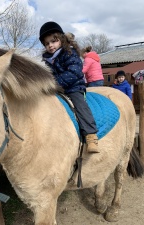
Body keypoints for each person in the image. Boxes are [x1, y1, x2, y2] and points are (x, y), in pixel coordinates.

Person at [39, 21, 99, 153]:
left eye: (53, 41)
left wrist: (54, 84)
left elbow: (74, 72)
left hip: (73, 87)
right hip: (57, 89)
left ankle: (91, 136)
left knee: (80, 105)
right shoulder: (48, 60)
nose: (50, 45)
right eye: (47, 43)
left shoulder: (69, 53)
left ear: (61, 40)